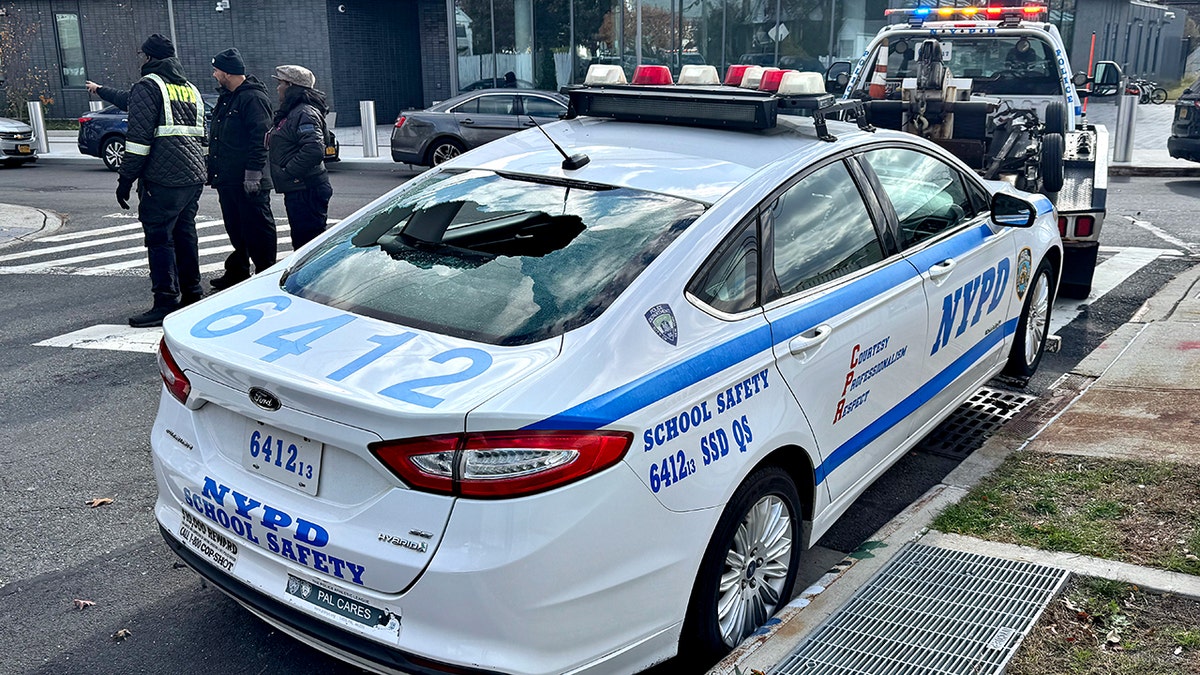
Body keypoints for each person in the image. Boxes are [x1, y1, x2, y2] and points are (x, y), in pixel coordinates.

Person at [87, 34, 206, 328]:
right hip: (192, 177)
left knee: (159, 238)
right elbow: (198, 134)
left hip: (163, 179)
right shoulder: (189, 89)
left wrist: (125, 179)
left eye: (144, 56)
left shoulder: (149, 85)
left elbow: (138, 140)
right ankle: (193, 294)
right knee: (185, 234)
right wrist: (101, 90)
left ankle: (165, 301)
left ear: (151, 58)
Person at [207, 48, 277, 291]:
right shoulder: (228, 97)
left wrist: (253, 174)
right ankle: (237, 272)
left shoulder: (253, 98)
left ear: (227, 72)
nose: (214, 75)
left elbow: (261, 138)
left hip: (248, 181)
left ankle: (266, 274)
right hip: (228, 179)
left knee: (258, 229)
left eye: (216, 70)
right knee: (236, 229)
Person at [267, 65, 332, 250]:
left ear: (291, 86)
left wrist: (289, 172)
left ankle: (311, 279)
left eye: (280, 83)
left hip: (306, 188)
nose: (277, 88)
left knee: (308, 245)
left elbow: (314, 149)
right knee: (303, 241)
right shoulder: (294, 111)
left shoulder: (304, 112)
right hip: (299, 188)